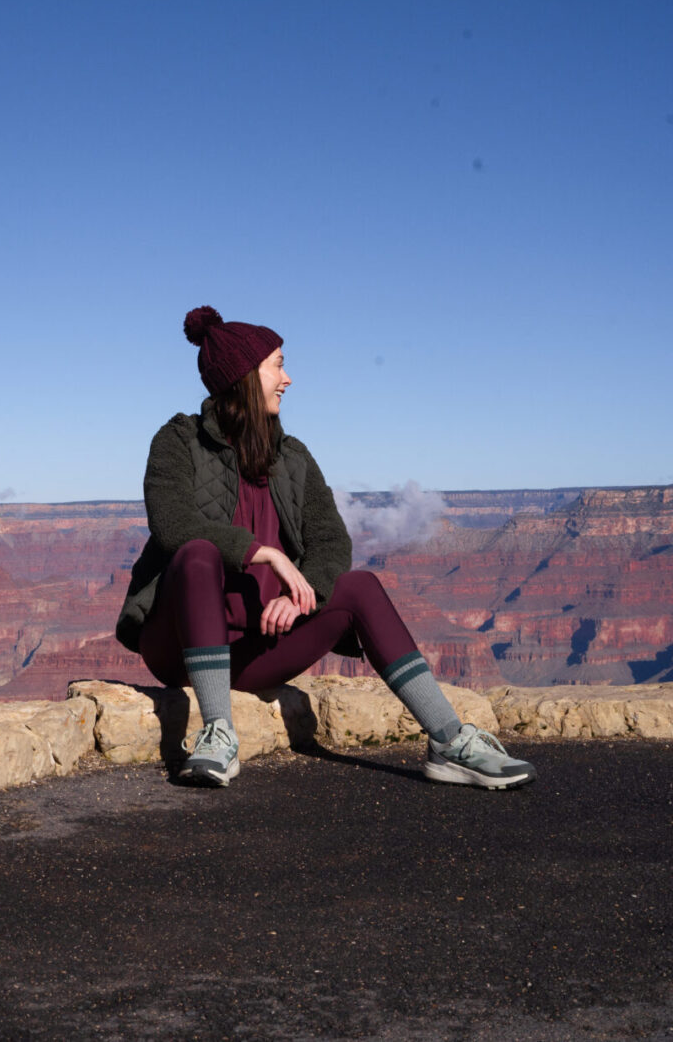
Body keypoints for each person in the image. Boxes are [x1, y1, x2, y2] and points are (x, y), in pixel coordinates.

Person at [116, 306, 536, 792]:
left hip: (255, 649)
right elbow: (173, 524)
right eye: (277, 364)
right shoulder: (178, 439)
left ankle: (449, 740)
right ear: (244, 376)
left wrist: (303, 592)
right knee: (196, 553)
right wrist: (264, 553)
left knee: (360, 586)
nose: (288, 378)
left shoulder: (293, 457)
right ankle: (218, 734)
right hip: (177, 645)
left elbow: (333, 541)